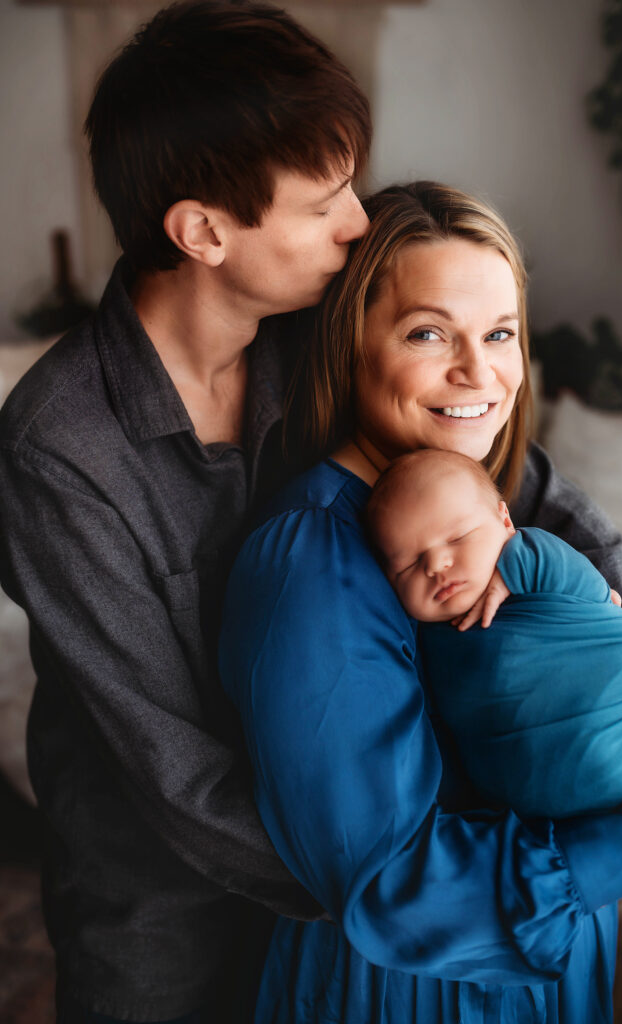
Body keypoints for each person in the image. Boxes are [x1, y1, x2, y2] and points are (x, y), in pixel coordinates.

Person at [220, 181, 622, 1024]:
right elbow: (392, 886)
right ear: (349, 348)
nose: (480, 373)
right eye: (428, 332)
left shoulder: (514, 521)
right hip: (414, 992)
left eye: (499, 333)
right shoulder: (313, 561)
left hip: (549, 963)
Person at [0, 3, 371, 1022]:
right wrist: (395, 882)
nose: (359, 224)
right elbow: (174, 771)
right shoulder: (57, 448)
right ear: (202, 230)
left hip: (341, 868)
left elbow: (528, 484)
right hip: (156, 910)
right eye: (325, 200)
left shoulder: (316, 341)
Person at [366, 447, 622, 818]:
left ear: (505, 521)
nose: (436, 564)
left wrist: (515, 570)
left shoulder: (532, 558)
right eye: (408, 564)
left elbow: (590, 586)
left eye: (458, 537)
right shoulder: (422, 640)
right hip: (547, 808)